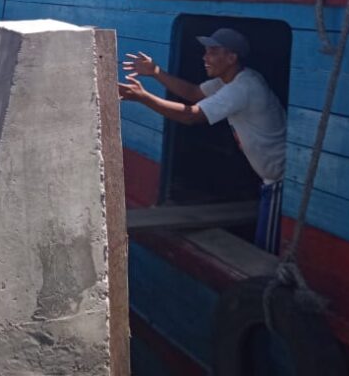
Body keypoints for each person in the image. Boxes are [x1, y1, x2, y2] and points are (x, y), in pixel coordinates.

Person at [118, 28, 286, 252]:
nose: (205, 57)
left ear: (231, 58)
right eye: (205, 51)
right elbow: (194, 92)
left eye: (213, 52)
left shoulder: (243, 88)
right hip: (269, 176)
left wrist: (143, 97)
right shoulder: (231, 79)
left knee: (268, 248)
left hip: (279, 180)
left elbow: (191, 116)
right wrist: (156, 72)